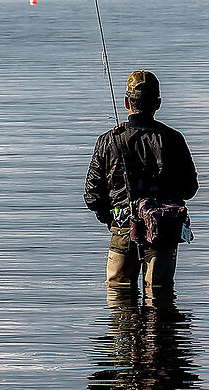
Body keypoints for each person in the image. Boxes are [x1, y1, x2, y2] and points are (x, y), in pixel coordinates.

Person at [85, 70, 199, 301]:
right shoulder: (173, 139)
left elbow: (92, 195)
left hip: (122, 226)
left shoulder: (108, 140)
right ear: (158, 103)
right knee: (160, 296)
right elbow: (189, 188)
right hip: (163, 232)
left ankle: (125, 335)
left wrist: (111, 221)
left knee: (119, 296)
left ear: (126, 102)